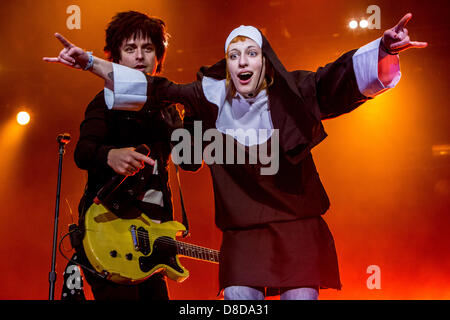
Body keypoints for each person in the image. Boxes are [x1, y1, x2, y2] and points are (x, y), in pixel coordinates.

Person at [45, 13, 427, 300]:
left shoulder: (294, 92)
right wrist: (91, 63)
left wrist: (383, 49)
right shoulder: (205, 97)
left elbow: (336, 80)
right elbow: (155, 91)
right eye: (234, 55)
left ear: (265, 62)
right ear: (226, 64)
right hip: (221, 235)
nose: (243, 62)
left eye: (252, 54)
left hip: (294, 230)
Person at [58, 11, 194, 300]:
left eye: (148, 49)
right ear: (116, 59)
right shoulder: (105, 102)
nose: (140, 57)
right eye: (130, 49)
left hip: (151, 243)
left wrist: (190, 113)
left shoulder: (167, 108)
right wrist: (109, 155)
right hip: (110, 235)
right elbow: (83, 152)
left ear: (159, 57)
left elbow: (191, 161)